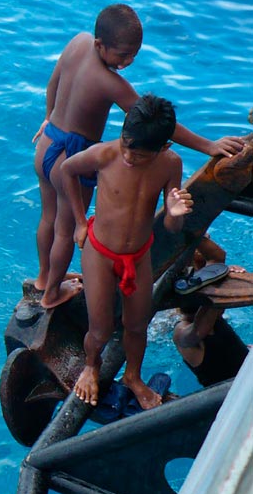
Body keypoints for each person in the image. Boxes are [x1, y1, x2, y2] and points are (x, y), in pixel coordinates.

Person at [32, 3, 244, 309]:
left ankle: (43, 278)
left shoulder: (76, 42)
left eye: (134, 54)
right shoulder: (111, 83)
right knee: (65, 229)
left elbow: (53, 83)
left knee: (48, 218)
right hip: (72, 153)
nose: (128, 61)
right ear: (99, 45)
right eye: (122, 55)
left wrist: (49, 116)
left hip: (48, 142)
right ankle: (52, 293)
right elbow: (160, 126)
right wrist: (207, 146)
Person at [61, 94, 193, 410]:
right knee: (101, 328)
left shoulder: (170, 164)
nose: (129, 157)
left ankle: (133, 377)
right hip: (100, 252)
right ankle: (91, 366)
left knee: (137, 324)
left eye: (139, 155)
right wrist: (80, 223)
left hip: (138, 255)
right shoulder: (105, 155)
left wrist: (174, 214)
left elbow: (173, 230)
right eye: (126, 146)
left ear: (164, 147)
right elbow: (67, 170)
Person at [173, 237, 249, 386]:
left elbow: (218, 257)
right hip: (228, 398)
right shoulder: (181, 333)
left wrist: (226, 275)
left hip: (247, 375)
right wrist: (223, 282)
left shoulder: (214, 316)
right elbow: (199, 330)